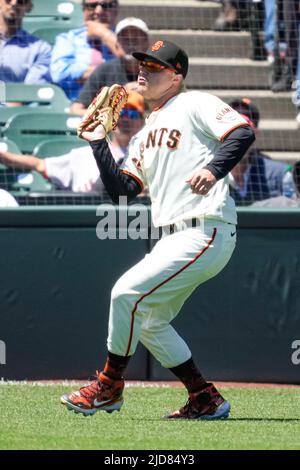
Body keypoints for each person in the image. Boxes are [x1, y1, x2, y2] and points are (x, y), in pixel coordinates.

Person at [60, 40, 255, 419]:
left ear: (176, 76)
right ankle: (204, 397)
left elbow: (241, 132)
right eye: (142, 63)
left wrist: (214, 169)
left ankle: (108, 386)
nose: (144, 70)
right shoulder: (143, 132)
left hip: (205, 228)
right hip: (173, 236)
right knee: (148, 320)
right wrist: (99, 144)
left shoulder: (194, 102)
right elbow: (123, 191)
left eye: (155, 65)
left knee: (124, 294)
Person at [0, 92, 145, 193]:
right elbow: (39, 164)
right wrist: (5, 157)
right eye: (121, 113)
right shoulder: (83, 155)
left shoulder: (147, 158)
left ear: (142, 121)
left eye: (132, 114)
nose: (126, 119)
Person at [70, 17, 149, 116]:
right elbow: (75, 109)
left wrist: (148, 93)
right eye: (125, 40)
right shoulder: (105, 69)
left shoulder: (158, 70)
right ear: (116, 44)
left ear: (147, 43)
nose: (130, 45)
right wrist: (107, 115)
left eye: (135, 39)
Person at [50, 0, 122, 100]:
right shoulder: (68, 39)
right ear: (83, 10)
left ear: (116, 10)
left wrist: (104, 34)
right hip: (75, 104)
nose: (98, 11)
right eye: (92, 6)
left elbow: (134, 66)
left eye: (106, 6)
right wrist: (108, 76)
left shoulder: (127, 38)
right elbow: (58, 73)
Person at [228, 97, 287, 205]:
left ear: (256, 134)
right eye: (232, 128)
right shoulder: (203, 174)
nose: (238, 137)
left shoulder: (280, 175)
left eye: (245, 130)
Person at [0, 0, 51, 84]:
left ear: (29, 7)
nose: (14, 3)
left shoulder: (40, 49)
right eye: (8, 0)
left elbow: (31, 90)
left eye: (21, 1)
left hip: (16, 97)